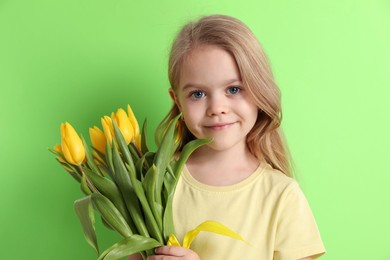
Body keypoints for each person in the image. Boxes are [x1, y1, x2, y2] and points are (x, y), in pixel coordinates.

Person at [131, 14, 326, 260]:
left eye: (233, 89)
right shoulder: (154, 184)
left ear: (259, 90)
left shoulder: (281, 196)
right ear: (177, 100)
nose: (217, 108)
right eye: (198, 94)